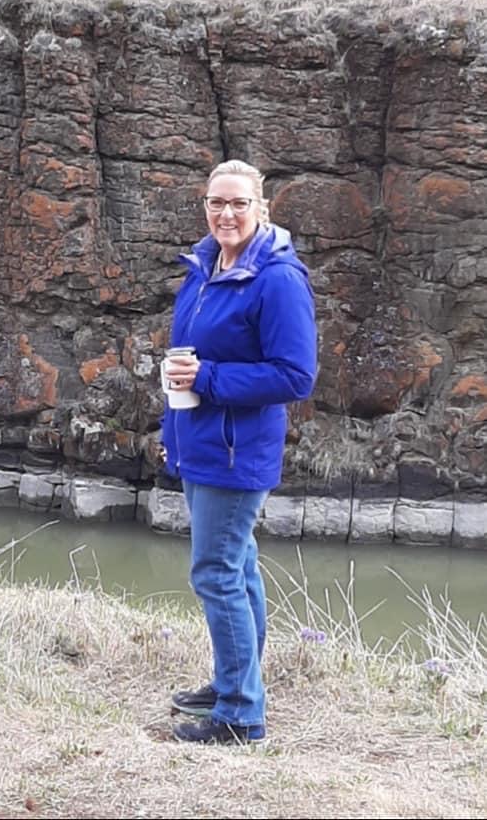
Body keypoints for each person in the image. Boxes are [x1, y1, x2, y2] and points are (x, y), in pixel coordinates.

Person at [161, 159, 317, 744]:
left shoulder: (278, 279)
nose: (226, 213)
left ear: (261, 208)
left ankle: (240, 715)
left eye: (238, 203)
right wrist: (177, 417)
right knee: (238, 567)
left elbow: (295, 376)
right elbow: (192, 358)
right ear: (204, 205)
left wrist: (207, 378)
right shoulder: (205, 265)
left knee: (216, 572)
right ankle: (235, 680)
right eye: (216, 202)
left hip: (236, 452)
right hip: (201, 442)